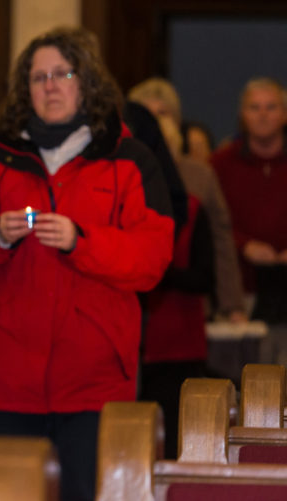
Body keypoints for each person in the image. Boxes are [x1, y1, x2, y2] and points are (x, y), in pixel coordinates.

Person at [0, 26, 173, 501]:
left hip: (92, 375)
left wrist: (81, 241)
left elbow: (151, 257)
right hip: (8, 372)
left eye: (61, 74)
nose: (49, 86)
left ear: (86, 82)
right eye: (38, 77)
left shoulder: (128, 159)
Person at [124, 102, 215, 460]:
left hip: (176, 343)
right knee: (128, 441)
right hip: (138, 344)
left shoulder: (189, 208)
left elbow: (205, 276)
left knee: (172, 446)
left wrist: (157, 272)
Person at [128, 77, 247, 321]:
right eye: (147, 114)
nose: (156, 122)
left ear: (176, 118)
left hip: (188, 308)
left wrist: (232, 303)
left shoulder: (199, 175)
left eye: (163, 113)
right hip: (134, 301)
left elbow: (221, 239)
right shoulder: (120, 170)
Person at [211, 78, 287, 363]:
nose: (263, 114)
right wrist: (244, 245)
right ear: (242, 114)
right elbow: (210, 227)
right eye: (255, 107)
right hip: (241, 295)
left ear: (284, 114)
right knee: (246, 385)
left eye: (271, 107)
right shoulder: (219, 164)